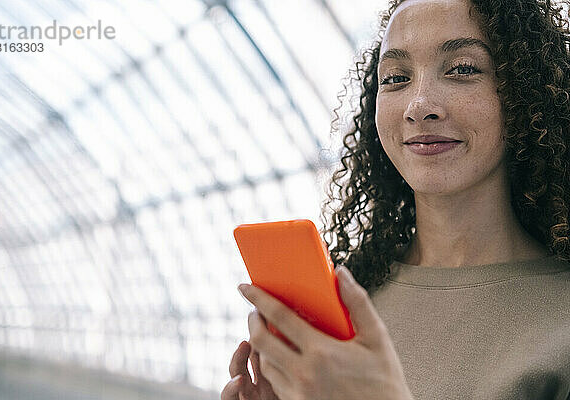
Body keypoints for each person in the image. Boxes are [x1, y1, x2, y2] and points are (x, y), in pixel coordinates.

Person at [221, 0, 570, 398]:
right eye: (396, 77)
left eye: (462, 69)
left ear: (526, 91)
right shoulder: (347, 302)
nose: (418, 106)